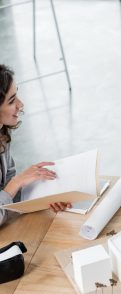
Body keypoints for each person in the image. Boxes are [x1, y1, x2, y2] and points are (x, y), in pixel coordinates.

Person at [0, 64, 71, 227]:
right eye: (11, 101)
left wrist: (43, 196)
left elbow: (7, 186)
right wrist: (16, 183)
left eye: (16, 95)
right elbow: (10, 186)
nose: (21, 104)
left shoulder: (2, 133)